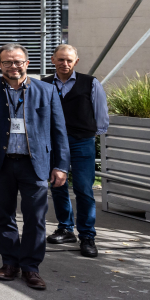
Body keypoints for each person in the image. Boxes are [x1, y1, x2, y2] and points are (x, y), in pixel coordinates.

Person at [0, 45, 69, 290]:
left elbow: (58, 130)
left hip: (35, 165)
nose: (13, 66)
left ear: (27, 62)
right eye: (7, 62)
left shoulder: (47, 90)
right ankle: (10, 263)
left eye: (18, 62)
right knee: (4, 216)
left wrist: (61, 165)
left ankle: (31, 268)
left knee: (35, 218)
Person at [44, 44, 106, 258]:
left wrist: (87, 134)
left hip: (81, 141)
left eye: (69, 60)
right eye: (60, 59)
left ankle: (87, 236)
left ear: (76, 62)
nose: (65, 63)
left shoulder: (90, 83)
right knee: (58, 185)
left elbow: (101, 115)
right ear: (53, 60)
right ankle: (65, 228)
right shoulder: (43, 84)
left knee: (83, 188)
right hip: (53, 142)